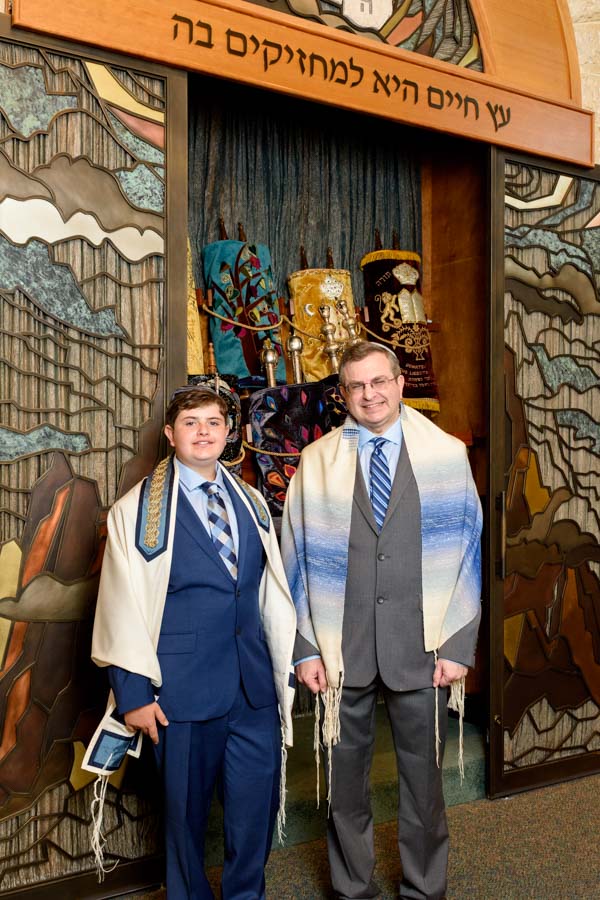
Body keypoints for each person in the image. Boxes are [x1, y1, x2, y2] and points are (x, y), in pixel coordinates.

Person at [281, 342, 482, 900]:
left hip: (422, 645)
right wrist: (305, 647)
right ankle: (352, 889)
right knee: (343, 787)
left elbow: (468, 551)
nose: (369, 395)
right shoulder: (316, 462)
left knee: (424, 787)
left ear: (398, 383)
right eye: (356, 386)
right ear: (343, 393)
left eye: (379, 382)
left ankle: (424, 889)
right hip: (340, 650)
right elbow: (293, 560)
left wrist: (457, 644)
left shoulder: (446, 455)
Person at [88, 386, 296, 900]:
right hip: (179, 694)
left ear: (229, 433)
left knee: (255, 812)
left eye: (213, 422)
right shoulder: (137, 511)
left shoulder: (250, 500)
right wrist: (134, 695)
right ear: (170, 433)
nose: (203, 432)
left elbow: (266, 590)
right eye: (190, 423)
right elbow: (119, 605)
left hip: (252, 690)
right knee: (183, 822)